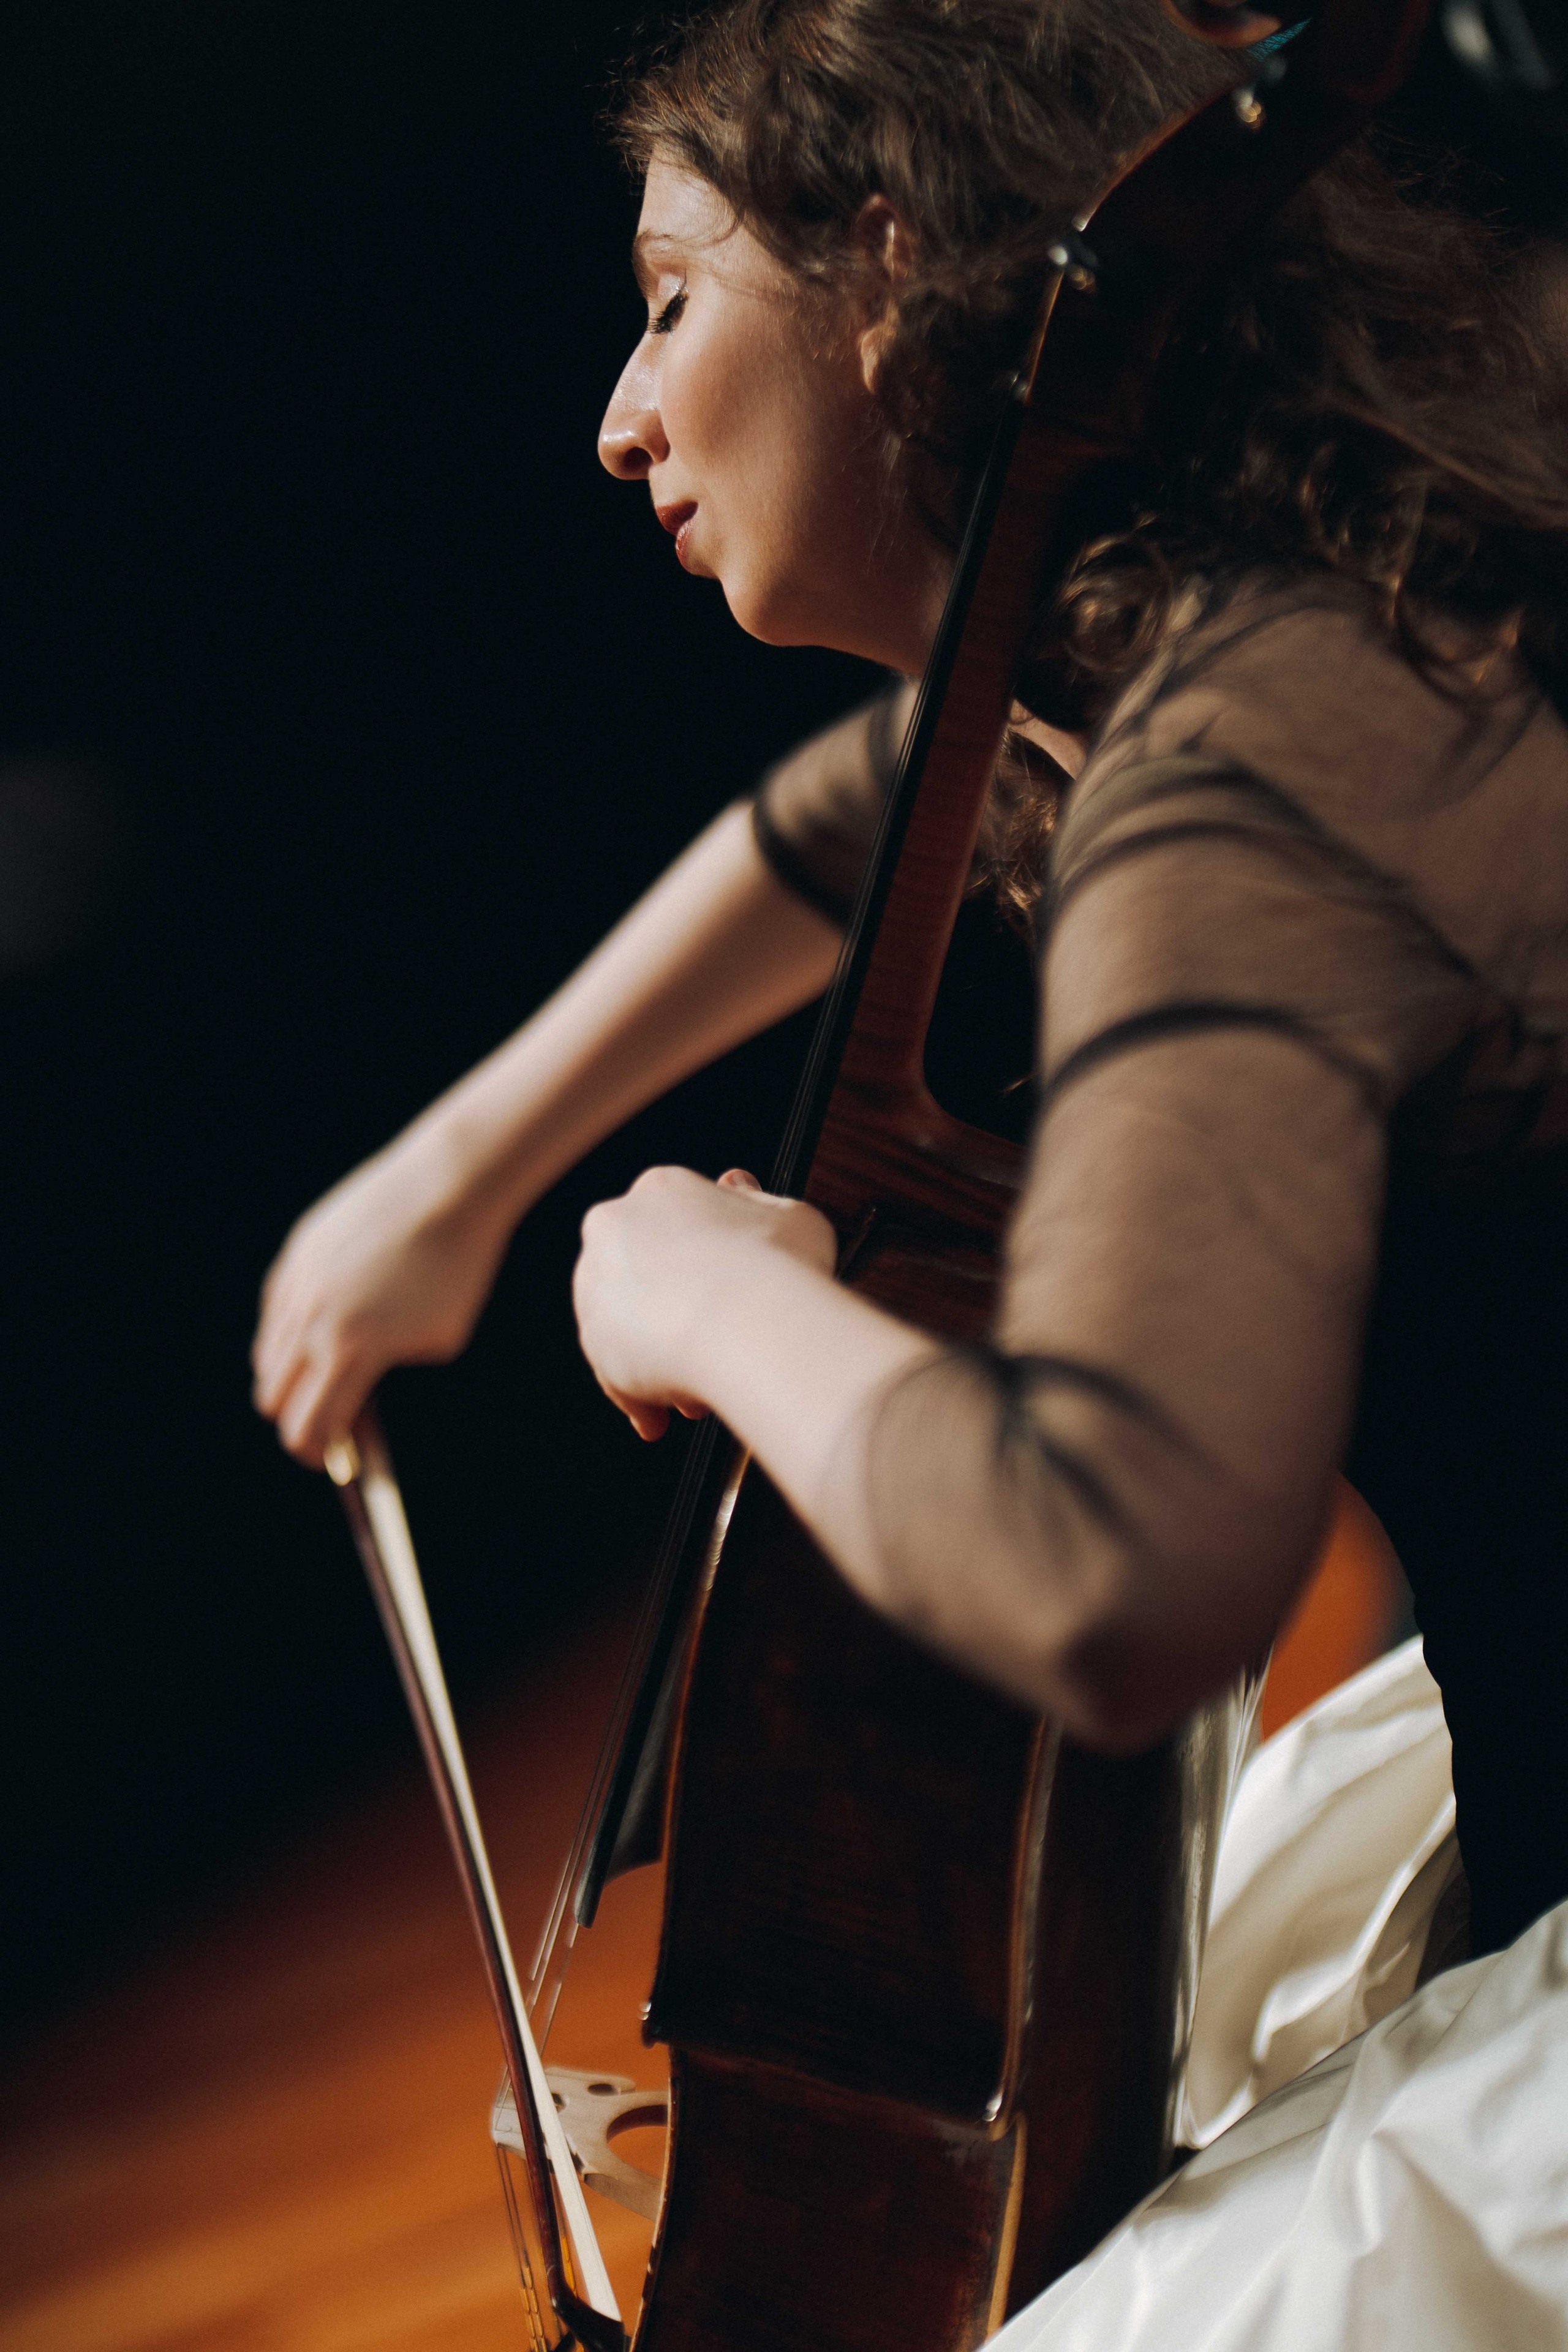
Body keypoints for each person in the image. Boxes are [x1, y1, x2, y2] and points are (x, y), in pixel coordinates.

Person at [254, 1, 1568, 2339]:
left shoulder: (1242, 764)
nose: (619, 413)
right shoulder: (1279, 608)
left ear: (883, 268)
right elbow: (859, 805)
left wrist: (719, 1307)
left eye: (671, 300)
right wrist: (454, 1172)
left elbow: (1112, 1566)